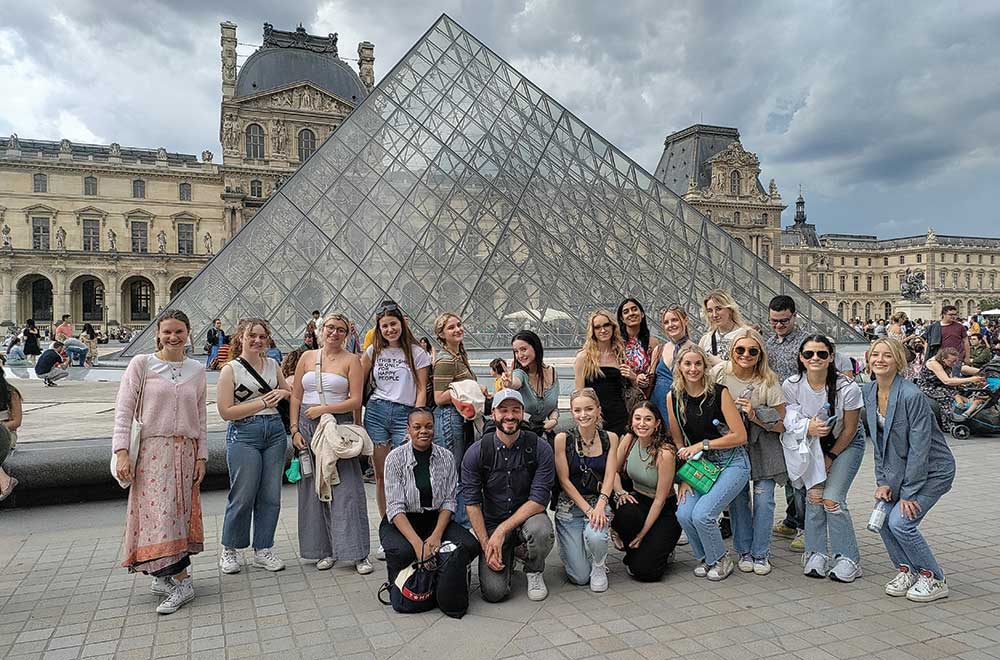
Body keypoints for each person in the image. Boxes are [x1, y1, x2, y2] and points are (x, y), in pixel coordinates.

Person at [112, 310, 207, 615]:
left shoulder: (196, 369)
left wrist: (202, 455)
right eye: (167, 331)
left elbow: (202, 417)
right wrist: (121, 451)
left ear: (188, 333)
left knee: (179, 514)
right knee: (159, 516)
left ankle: (169, 576)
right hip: (153, 452)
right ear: (157, 334)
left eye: (179, 331)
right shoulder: (142, 364)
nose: (173, 337)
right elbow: (124, 410)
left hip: (187, 450)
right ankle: (179, 579)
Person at [865, 339, 956, 602]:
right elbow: (879, 445)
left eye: (887, 356)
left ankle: (934, 577)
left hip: (932, 470)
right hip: (900, 471)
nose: (880, 360)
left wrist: (908, 494)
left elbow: (920, 448)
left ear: (899, 362)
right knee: (881, 518)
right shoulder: (869, 391)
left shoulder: (912, 395)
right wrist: (883, 482)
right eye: (875, 355)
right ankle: (906, 570)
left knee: (902, 523)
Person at [290, 313, 372, 574]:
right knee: (313, 492)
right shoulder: (306, 357)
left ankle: (357, 552)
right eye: (330, 328)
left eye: (340, 329)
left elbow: (356, 400)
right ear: (320, 329)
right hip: (306, 426)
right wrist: (293, 429)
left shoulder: (352, 361)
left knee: (346, 490)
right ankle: (322, 550)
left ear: (347, 334)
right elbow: (295, 397)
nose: (334, 333)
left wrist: (323, 409)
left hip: (337, 427)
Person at [380, 408, 479, 618]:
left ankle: (443, 582)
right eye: (417, 427)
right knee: (403, 552)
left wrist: (436, 536)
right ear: (408, 430)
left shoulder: (446, 457)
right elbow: (395, 507)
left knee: (470, 545)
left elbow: (449, 501)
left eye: (428, 426)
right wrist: (419, 545)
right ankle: (403, 585)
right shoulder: (394, 459)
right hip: (404, 520)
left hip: (436, 518)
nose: (423, 431)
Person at [782, 335, 866, 582]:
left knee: (832, 499)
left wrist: (830, 458)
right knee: (814, 496)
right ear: (801, 357)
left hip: (845, 444)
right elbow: (791, 421)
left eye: (821, 354)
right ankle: (815, 552)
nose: (815, 358)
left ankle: (848, 558)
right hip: (811, 445)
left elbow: (850, 430)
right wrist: (809, 428)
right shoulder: (792, 385)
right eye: (809, 354)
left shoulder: (847, 388)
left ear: (831, 357)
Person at [462, 389, 555, 602]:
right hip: (493, 521)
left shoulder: (539, 448)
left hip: (527, 518)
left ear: (523, 413)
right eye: (503, 410)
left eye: (515, 410)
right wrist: (487, 544)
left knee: (540, 530)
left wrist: (503, 530)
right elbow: (472, 503)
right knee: (495, 593)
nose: (510, 416)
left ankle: (533, 569)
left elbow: (539, 500)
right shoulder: (477, 452)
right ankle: (509, 554)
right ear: (493, 413)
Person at [216, 319, 292, 575]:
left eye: (262, 336)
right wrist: (261, 403)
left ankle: (264, 548)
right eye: (252, 336)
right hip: (244, 433)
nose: (257, 340)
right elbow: (226, 411)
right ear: (241, 337)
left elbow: (288, 392)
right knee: (242, 494)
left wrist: (283, 394)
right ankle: (230, 548)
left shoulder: (273, 364)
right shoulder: (230, 370)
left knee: (271, 495)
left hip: (275, 433)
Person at [668, 345, 749, 581]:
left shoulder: (719, 393)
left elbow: (740, 436)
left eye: (698, 364)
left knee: (703, 514)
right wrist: (683, 478)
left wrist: (703, 445)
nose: (693, 369)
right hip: (700, 465)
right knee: (684, 513)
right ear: (679, 368)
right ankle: (707, 558)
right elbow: (678, 440)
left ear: (705, 367)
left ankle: (722, 560)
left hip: (732, 461)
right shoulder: (673, 396)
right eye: (687, 364)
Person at [712, 329, 787, 575]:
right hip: (732, 446)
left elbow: (783, 423)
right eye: (740, 350)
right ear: (732, 352)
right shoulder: (719, 373)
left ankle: (761, 553)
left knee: (764, 500)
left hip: (763, 447)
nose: (746, 355)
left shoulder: (768, 380)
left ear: (760, 355)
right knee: (738, 500)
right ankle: (744, 550)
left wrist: (755, 415)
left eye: (752, 351)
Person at [362, 302, 431, 559]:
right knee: (381, 475)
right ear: (378, 329)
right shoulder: (372, 351)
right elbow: (358, 383)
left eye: (393, 323)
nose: (390, 329)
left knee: (406, 474)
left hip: (405, 414)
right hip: (378, 412)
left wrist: (417, 419)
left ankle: (410, 527)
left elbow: (422, 389)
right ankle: (388, 529)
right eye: (385, 325)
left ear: (402, 323)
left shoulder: (417, 353)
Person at [553, 388, 620, 590]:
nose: (584, 415)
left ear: (598, 410)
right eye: (578, 410)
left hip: (597, 500)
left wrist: (600, 505)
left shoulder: (610, 438)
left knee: (596, 535)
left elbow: (610, 475)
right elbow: (564, 480)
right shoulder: (562, 439)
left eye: (589, 409)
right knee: (580, 577)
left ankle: (599, 564)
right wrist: (588, 510)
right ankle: (572, 546)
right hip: (570, 507)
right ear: (572, 413)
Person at [611, 401, 682, 582]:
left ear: (657, 423)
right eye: (638, 418)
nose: (642, 424)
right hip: (637, 500)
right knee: (626, 510)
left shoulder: (665, 453)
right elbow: (613, 473)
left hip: (662, 508)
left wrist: (642, 535)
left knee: (646, 572)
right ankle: (635, 548)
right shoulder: (629, 439)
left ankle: (656, 549)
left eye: (648, 419)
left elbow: (660, 500)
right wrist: (621, 492)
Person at [764, 295, 810, 551]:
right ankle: (793, 519)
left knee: (799, 474)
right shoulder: (769, 342)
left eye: (783, 321)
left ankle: (805, 526)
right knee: (788, 472)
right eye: (774, 321)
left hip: (800, 415)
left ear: (794, 316)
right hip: (777, 413)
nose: (778, 325)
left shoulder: (806, 342)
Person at [432, 312, 486, 527]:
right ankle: (459, 524)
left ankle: (460, 522)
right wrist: (471, 388)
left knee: (462, 471)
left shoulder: (458, 356)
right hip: (449, 420)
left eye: (459, 325)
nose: (457, 329)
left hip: (459, 419)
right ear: (441, 334)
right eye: (451, 327)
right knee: (455, 473)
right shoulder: (446, 360)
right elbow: (439, 397)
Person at [574, 310, 630, 435]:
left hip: (620, 417)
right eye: (597, 327)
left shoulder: (621, 355)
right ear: (592, 331)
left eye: (606, 325)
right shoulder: (583, 357)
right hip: (595, 419)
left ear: (613, 326)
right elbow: (579, 394)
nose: (603, 330)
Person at [501, 330, 559, 439]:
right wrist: (509, 383)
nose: (519, 355)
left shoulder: (552, 372)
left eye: (523, 349)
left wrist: (553, 420)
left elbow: (554, 406)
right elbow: (515, 383)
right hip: (519, 435)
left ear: (535, 347)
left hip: (542, 433)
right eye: (516, 351)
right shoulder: (520, 374)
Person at [916, 348, 985, 431]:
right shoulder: (934, 363)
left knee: (959, 391)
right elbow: (946, 381)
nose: (954, 363)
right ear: (943, 359)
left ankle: (966, 409)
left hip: (940, 384)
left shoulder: (948, 363)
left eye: (956, 361)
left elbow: (951, 378)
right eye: (952, 361)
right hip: (928, 386)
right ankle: (948, 423)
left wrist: (967, 383)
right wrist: (970, 379)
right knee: (945, 396)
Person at [649, 305, 694, 424]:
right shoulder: (659, 350)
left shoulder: (696, 351)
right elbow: (651, 376)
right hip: (657, 409)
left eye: (674, 320)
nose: (670, 325)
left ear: (685, 320)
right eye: (666, 322)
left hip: (684, 409)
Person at [618, 298, 659, 395]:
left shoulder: (653, 343)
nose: (631, 313)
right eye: (626, 312)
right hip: (622, 394)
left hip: (646, 394)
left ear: (642, 314)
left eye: (634, 309)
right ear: (622, 319)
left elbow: (655, 374)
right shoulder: (616, 343)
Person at [698, 290, 749, 365]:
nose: (714, 315)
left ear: (730, 310)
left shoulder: (746, 334)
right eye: (710, 311)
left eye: (718, 309)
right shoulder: (705, 340)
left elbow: (749, 367)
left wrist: (719, 363)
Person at [924, 305, 970, 376]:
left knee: (955, 378)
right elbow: (928, 342)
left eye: (955, 314)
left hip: (956, 358)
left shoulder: (960, 327)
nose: (953, 316)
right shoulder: (934, 327)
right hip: (940, 358)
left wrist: (967, 357)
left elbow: (966, 342)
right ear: (943, 314)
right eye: (950, 314)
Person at [0, 370, 23, 502]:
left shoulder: (11, 393)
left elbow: (16, 422)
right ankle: (5, 480)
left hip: (6, 434)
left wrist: (1, 427)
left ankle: (5, 480)